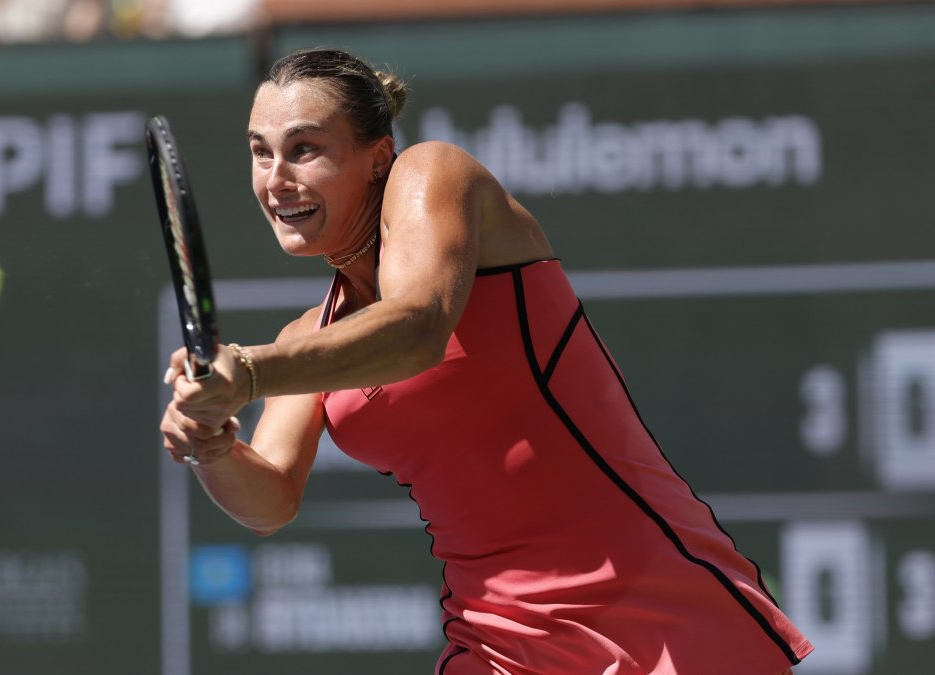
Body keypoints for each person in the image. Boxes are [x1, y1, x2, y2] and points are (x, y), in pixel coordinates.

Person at [160, 47, 813, 675]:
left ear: (377, 155)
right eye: (260, 152)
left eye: (305, 149)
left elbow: (419, 327)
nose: (276, 179)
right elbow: (270, 499)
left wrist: (246, 373)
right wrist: (209, 442)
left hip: (655, 616)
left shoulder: (433, 173)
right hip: (497, 642)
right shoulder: (307, 337)